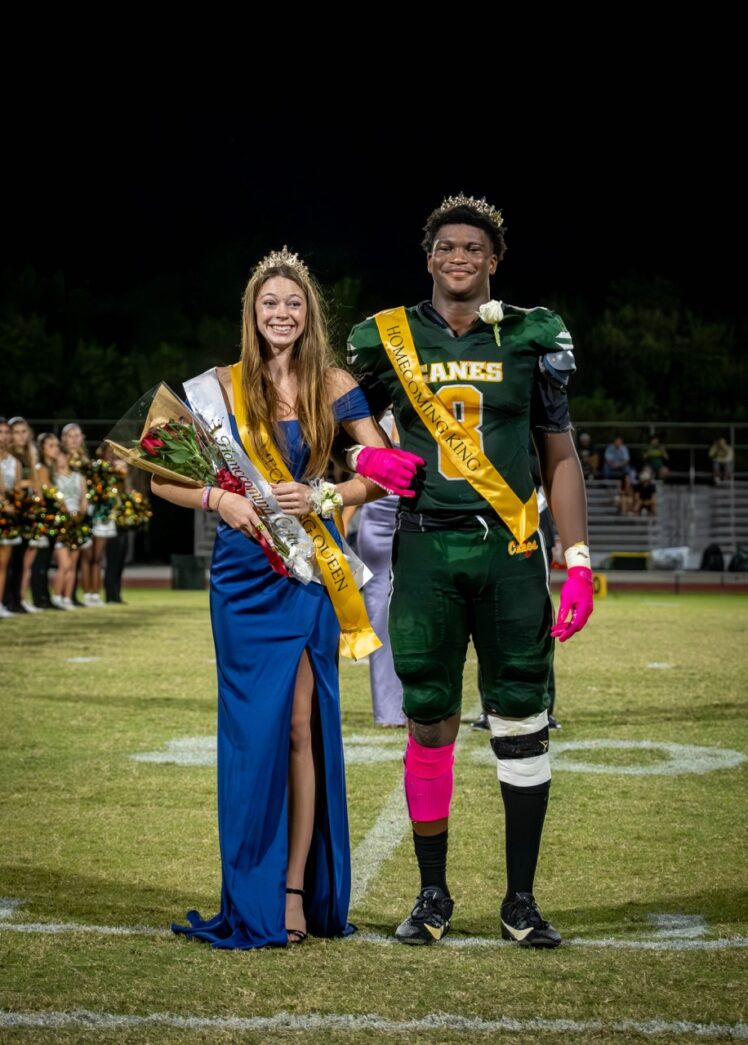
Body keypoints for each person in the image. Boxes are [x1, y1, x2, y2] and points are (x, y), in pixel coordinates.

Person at [151, 247, 420, 949]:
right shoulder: (216, 387)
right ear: (252, 313)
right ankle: (249, 890)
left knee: (301, 727)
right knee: (251, 735)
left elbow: (386, 472)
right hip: (242, 577)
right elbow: (157, 476)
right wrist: (217, 498)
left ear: (309, 314)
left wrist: (330, 491)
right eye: (269, 303)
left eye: (293, 303)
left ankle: (294, 889)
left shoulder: (333, 383)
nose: (281, 313)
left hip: (307, 570)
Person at [348, 194, 593, 949]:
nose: (460, 256)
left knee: (522, 717)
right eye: (446, 246)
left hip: (510, 551)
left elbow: (558, 450)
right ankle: (432, 893)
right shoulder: (384, 338)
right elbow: (334, 417)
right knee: (429, 717)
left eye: (474, 248)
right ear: (428, 257)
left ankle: (520, 898)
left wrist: (576, 556)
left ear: (494, 260)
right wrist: (362, 454)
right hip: (424, 547)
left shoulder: (533, 332)